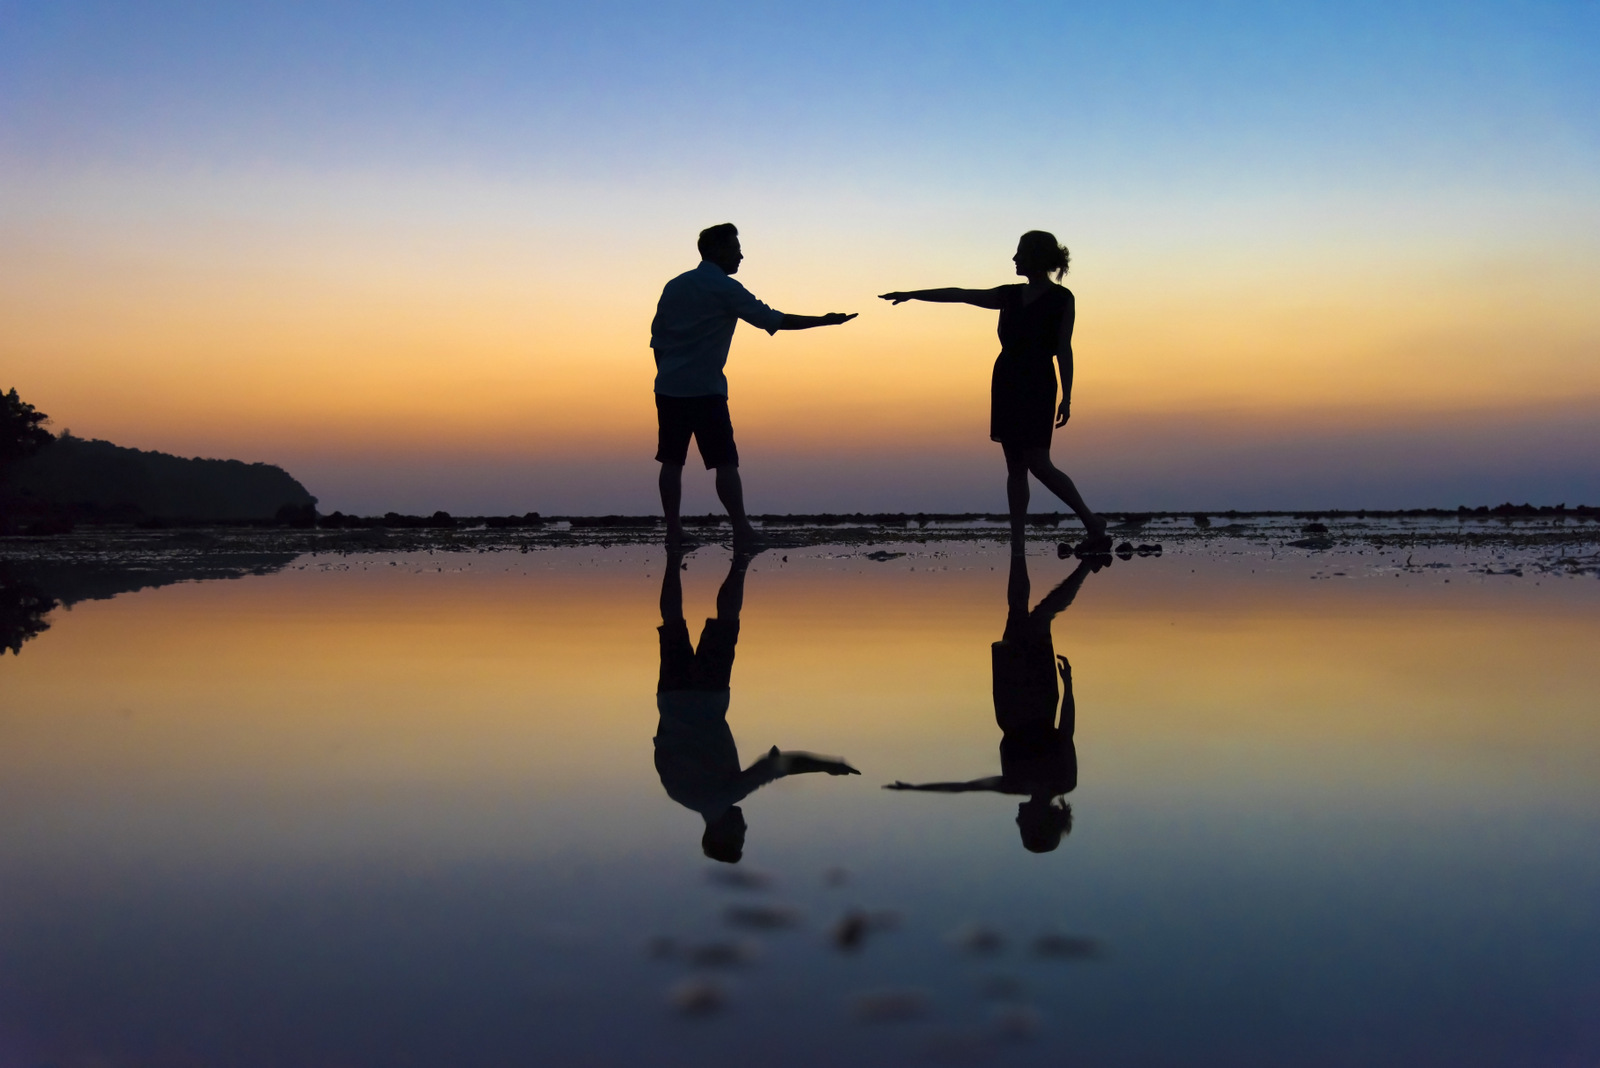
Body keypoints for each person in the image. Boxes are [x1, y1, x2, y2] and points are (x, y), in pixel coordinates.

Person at [879, 231, 1110, 555]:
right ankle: (1018, 539)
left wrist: (1067, 397)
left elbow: (1063, 349)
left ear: (1037, 257)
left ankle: (1091, 520)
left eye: (1020, 253)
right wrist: (912, 294)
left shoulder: (1062, 298)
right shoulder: (1009, 295)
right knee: (1015, 465)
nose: (1014, 259)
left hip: (1039, 381)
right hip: (1007, 380)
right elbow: (959, 293)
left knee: (1038, 462)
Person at [651, 223, 857, 552]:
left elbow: (657, 339)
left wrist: (670, 373)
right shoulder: (725, 288)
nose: (741, 255)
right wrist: (824, 320)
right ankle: (742, 531)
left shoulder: (675, 286)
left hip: (669, 386)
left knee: (672, 460)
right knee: (724, 461)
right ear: (717, 251)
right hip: (705, 389)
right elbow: (771, 319)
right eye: (735, 248)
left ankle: (674, 532)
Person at [884, 552, 1102, 853]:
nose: (1016, 821)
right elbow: (1066, 733)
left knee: (1017, 611)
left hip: (1009, 696)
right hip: (1038, 696)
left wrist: (915, 788)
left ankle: (1019, 537)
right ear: (1040, 821)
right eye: (1023, 827)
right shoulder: (1063, 781)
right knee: (1040, 618)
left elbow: (963, 788)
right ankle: (1086, 566)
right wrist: (1069, 686)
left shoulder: (1014, 785)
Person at [654, 549, 860, 863]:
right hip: (670, 698)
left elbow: (778, 766)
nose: (745, 825)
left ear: (722, 833)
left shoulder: (722, 797)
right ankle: (672, 555)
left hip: (709, 697)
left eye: (740, 833)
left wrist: (829, 765)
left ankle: (742, 558)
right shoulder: (677, 794)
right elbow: (662, 746)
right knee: (672, 625)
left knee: (726, 623)